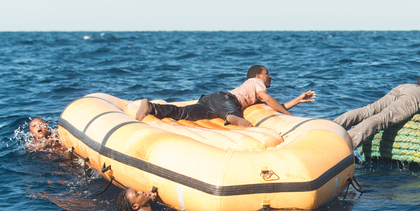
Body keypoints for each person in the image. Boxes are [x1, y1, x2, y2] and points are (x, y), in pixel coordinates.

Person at [133, 65, 315, 127]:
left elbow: (273, 107)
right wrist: (291, 118)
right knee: (235, 117)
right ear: (258, 76)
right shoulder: (256, 83)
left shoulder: (253, 91)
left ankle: (152, 108)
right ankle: (234, 119)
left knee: (183, 113)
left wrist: (298, 100)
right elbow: (268, 99)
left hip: (211, 101)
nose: (270, 76)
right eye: (267, 73)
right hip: (225, 99)